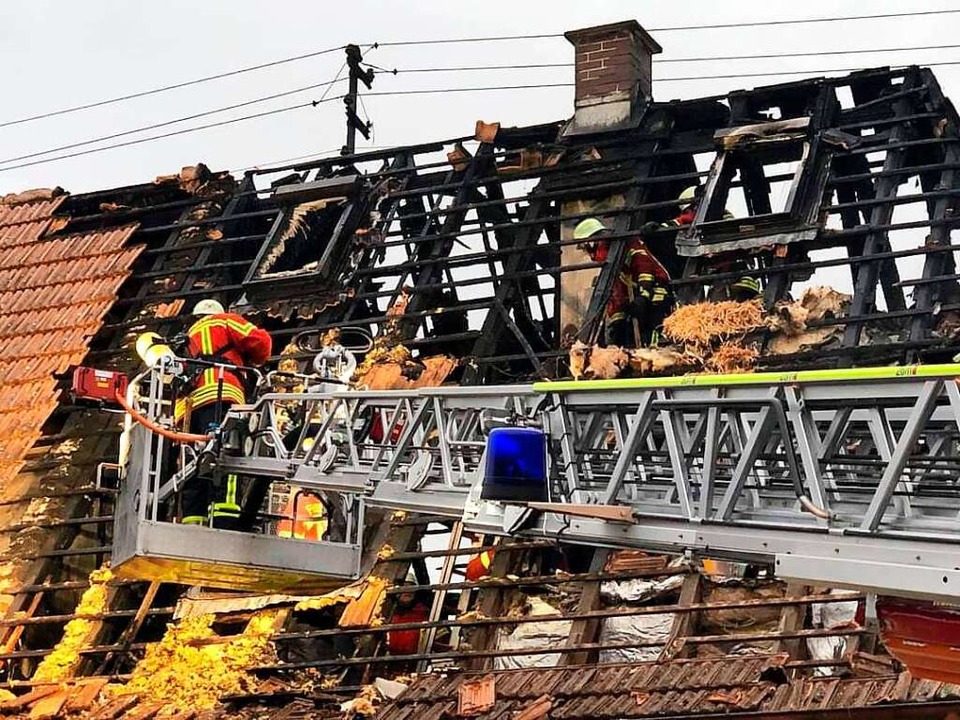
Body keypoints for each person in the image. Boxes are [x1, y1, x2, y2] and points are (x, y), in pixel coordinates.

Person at [175, 299, 272, 528]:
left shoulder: (183, 341)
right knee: (228, 455)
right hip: (220, 395)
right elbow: (260, 342)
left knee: (193, 464)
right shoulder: (224, 321)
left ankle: (193, 522)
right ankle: (224, 517)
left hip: (186, 411)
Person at [573, 217, 672, 348]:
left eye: (584, 247)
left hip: (656, 291)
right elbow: (618, 292)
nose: (588, 253)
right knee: (625, 338)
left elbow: (644, 267)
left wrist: (643, 297)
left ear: (591, 242)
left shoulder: (627, 245)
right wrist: (617, 319)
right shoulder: (612, 262)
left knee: (653, 332)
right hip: (638, 297)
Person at [662, 186, 761, 303]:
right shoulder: (724, 216)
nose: (687, 213)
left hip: (729, 273)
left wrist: (663, 226)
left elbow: (687, 219)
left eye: (687, 210)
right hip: (741, 273)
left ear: (694, 205)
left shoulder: (707, 215)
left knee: (719, 304)